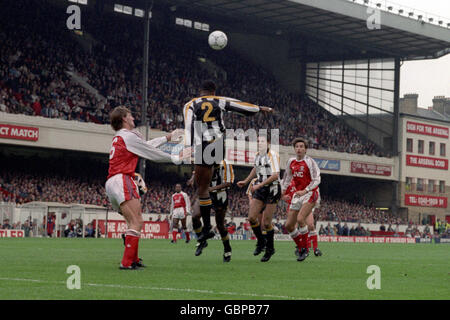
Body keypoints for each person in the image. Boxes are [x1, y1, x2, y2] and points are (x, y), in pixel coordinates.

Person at [183, 80, 273, 254]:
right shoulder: (219, 100)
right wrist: (258, 108)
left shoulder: (191, 104)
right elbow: (241, 106)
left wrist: (188, 147)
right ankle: (207, 232)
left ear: (200, 91)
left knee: (202, 188)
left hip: (202, 144)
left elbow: (188, 126)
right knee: (205, 183)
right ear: (213, 91)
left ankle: (207, 230)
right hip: (217, 144)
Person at [105, 106, 187, 270]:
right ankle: (127, 262)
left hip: (112, 182)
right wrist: (177, 157)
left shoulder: (121, 137)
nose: (133, 118)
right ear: (124, 119)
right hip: (123, 179)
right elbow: (150, 152)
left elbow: (144, 146)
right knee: (137, 222)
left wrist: (167, 138)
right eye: (130, 116)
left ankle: (133, 259)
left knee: (133, 223)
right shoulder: (128, 135)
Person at [237, 135, 281, 262]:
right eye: (258, 141)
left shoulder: (273, 155)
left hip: (272, 188)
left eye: (262, 141)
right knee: (251, 217)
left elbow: (275, 175)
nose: (259, 143)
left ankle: (270, 249)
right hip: (260, 188)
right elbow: (256, 169)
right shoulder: (257, 155)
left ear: (268, 142)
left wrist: (260, 185)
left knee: (266, 222)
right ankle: (261, 242)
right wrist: (246, 181)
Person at [281, 137, 321, 262]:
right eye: (297, 146)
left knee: (301, 219)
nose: (299, 149)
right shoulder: (291, 162)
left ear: (305, 149)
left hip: (310, 193)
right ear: (294, 148)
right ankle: (301, 246)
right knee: (288, 225)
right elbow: (287, 178)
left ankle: (305, 249)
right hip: (297, 195)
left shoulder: (310, 162)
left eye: (301, 147)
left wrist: (306, 190)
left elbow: (317, 179)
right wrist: (282, 191)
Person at [188, 159, 235, 262]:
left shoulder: (226, 164)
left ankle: (227, 249)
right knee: (195, 216)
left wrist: (212, 189)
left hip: (220, 195)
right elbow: (197, 171)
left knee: (220, 225)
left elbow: (229, 183)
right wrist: (192, 179)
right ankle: (202, 241)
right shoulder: (205, 162)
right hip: (206, 193)